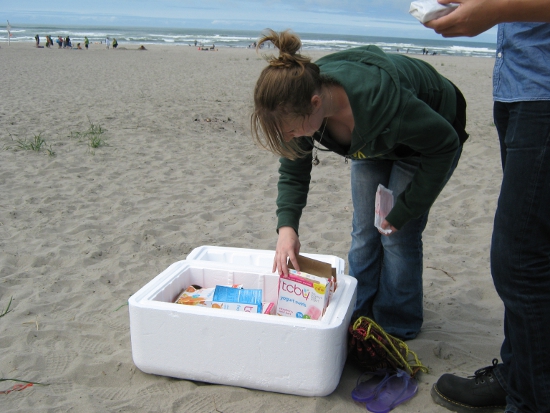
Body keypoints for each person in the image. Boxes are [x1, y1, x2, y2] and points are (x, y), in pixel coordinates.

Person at [251, 29, 468, 340]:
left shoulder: (387, 102)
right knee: (365, 231)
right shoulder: (300, 97)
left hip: (427, 133)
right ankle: (359, 314)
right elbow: (293, 169)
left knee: (396, 234)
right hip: (371, 138)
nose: (288, 137)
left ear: (316, 104)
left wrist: (405, 210)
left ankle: (396, 325)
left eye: (290, 130)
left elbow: (444, 145)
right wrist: (287, 228)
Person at [423, 1, 550, 413]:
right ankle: (518, 375)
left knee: (520, 261)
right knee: (535, 254)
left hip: (543, 93)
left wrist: (494, 9)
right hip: (519, 87)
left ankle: (529, 400)